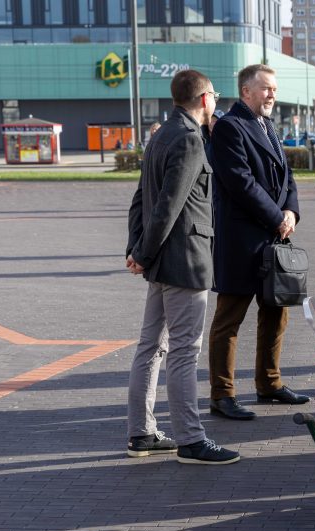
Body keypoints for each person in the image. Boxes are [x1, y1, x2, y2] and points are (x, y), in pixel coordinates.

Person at [124, 69, 239, 465]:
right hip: (184, 263)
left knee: (150, 347)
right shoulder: (190, 140)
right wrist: (143, 252)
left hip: (160, 263)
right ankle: (191, 440)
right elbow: (168, 207)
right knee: (183, 353)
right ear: (204, 98)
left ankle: (141, 432)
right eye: (216, 99)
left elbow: (141, 200)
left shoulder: (160, 135)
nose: (216, 105)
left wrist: (137, 249)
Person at [207, 64, 309, 420]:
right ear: (246, 91)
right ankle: (222, 395)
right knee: (229, 319)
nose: (272, 95)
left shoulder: (269, 127)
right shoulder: (229, 128)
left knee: (276, 314)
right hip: (241, 241)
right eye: (265, 89)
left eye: (274, 89)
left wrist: (291, 211)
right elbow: (240, 182)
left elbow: (288, 177)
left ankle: (269, 383)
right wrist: (277, 217)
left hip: (273, 239)